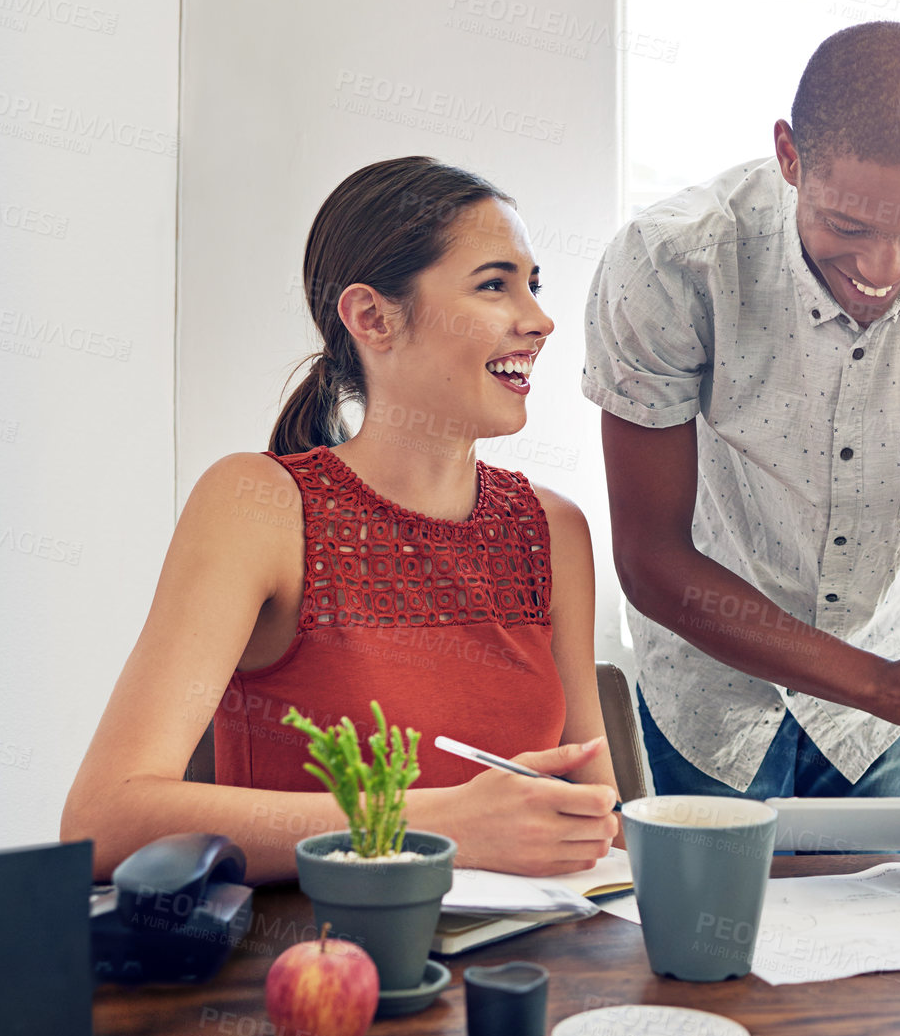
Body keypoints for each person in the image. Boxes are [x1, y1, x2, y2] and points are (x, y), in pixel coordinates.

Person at [63, 157, 621, 883]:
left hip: (524, 962)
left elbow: (598, 816)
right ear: (371, 317)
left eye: (532, 284)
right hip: (314, 961)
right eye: (493, 285)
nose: (539, 321)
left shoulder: (554, 529)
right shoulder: (254, 506)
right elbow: (105, 819)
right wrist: (444, 824)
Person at [583, 21, 900, 803]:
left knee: (873, 919)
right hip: (709, 693)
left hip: (882, 690)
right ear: (789, 156)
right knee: (719, 928)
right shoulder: (672, 261)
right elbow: (649, 555)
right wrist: (883, 685)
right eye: (847, 227)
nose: (883, 270)